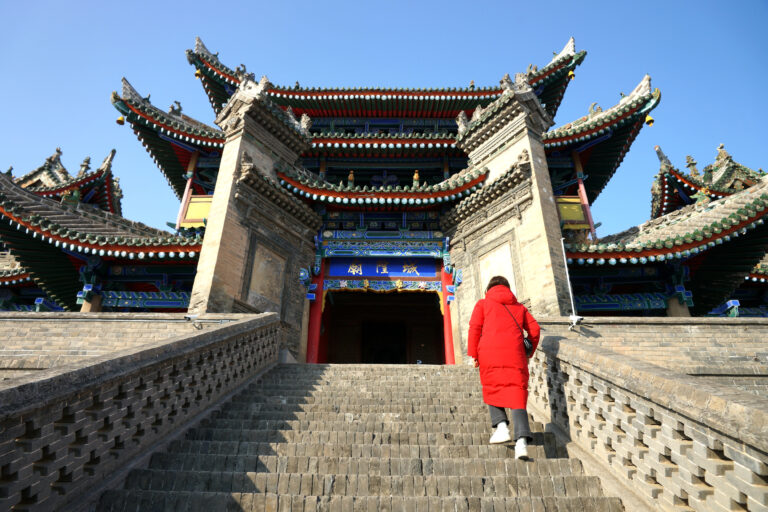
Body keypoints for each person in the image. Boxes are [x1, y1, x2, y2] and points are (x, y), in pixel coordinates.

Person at [467, 276, 541, 459]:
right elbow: (535, 330)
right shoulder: (519, 307)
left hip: (489, 352)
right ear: (508, 289)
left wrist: (473, 354)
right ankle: (521, 443)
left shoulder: (482, 304)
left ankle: (501, 427)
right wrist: (529, 350)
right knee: (517, 393)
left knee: (492, 386)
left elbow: (474, 329)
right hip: (515, 354)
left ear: (488, 289)